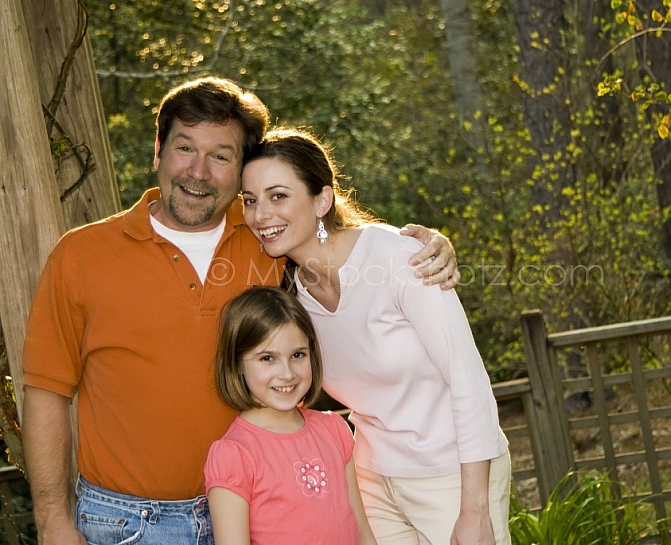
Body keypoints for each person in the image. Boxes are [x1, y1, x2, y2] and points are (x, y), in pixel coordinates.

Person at [21, 77, 457, 545]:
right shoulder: (82, 255)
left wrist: (415, 244)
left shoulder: (267, 239)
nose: (198, 172)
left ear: (242, 168)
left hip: (267, 514)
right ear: (158, 151)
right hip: (127, 523)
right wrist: (52, 522)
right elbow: (47, 390)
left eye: (221, 156)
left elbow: (337, 243)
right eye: (185, 148)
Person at [241, 127, 511, 545]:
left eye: (278, 196)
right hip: (370, 481)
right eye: (251, 200)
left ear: (322, 200)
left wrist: (473, 510)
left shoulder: (398, 258)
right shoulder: (290, 298)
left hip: (453, 475)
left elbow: (469, 380)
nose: (261, 215)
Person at [204, 286, 376, 545]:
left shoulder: (333, 430)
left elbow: (362, 532)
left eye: (297, 355)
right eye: (267, 358)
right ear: (237, 363)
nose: (286, 373)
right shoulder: (234, 454)